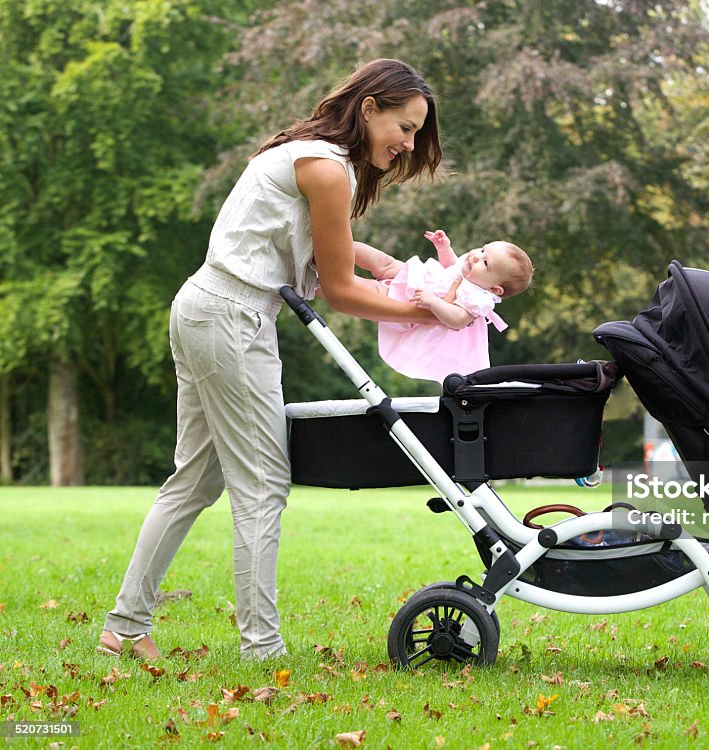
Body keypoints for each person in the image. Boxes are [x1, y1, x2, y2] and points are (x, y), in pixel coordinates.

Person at [98, 59, 444, 661]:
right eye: (405, 127)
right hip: (231, 318)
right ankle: (262, 649)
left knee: (195, 480)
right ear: (370, 108)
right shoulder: (328, 169)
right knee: (261, 485)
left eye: (416, 133)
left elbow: (300, 236)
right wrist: (429, 314)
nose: (408, 144)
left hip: (205, 306)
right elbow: (338, 290)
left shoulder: (305, 153)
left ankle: (124, 627)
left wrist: (383, 264)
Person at [355, 229, 533, 382]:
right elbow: (451, 265)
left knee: (373, 290)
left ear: (495, 289)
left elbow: (457, 319)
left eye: (485, 263)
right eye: (482, 250)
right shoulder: (470, 268)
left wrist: (433, 302)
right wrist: (444, 248)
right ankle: (340, 245)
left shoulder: (478, 299)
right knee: (384, 262)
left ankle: (333, 277)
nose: (476, 257)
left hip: (410, 303)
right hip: (413, 277)